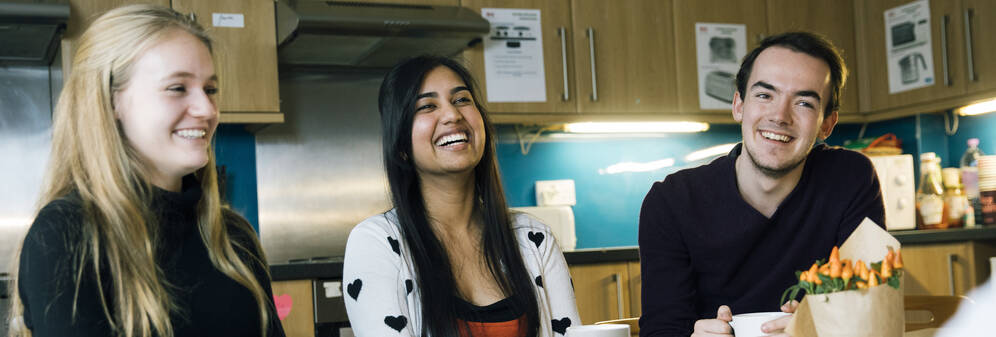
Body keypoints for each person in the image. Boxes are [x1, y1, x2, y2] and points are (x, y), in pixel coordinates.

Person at [8, 5, 285, 337]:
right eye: (177, 88)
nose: (207, 109)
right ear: (111, 102)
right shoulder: (66, 235)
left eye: (210, 89)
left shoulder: (233, 238)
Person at [638, 32, 885, 337]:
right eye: (765, 95)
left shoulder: (851, 179)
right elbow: (661, 330)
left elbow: (874, 310)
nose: (780, 116)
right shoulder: (672, 202)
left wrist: (820, 328)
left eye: (804, 103)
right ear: (739, 105)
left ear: (827, 124)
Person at [342, 55, 580, 336]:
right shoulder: (377, 242)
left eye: (462, 100)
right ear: (401, 145)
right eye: (427, 106)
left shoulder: (533, 238)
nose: (452, 115)